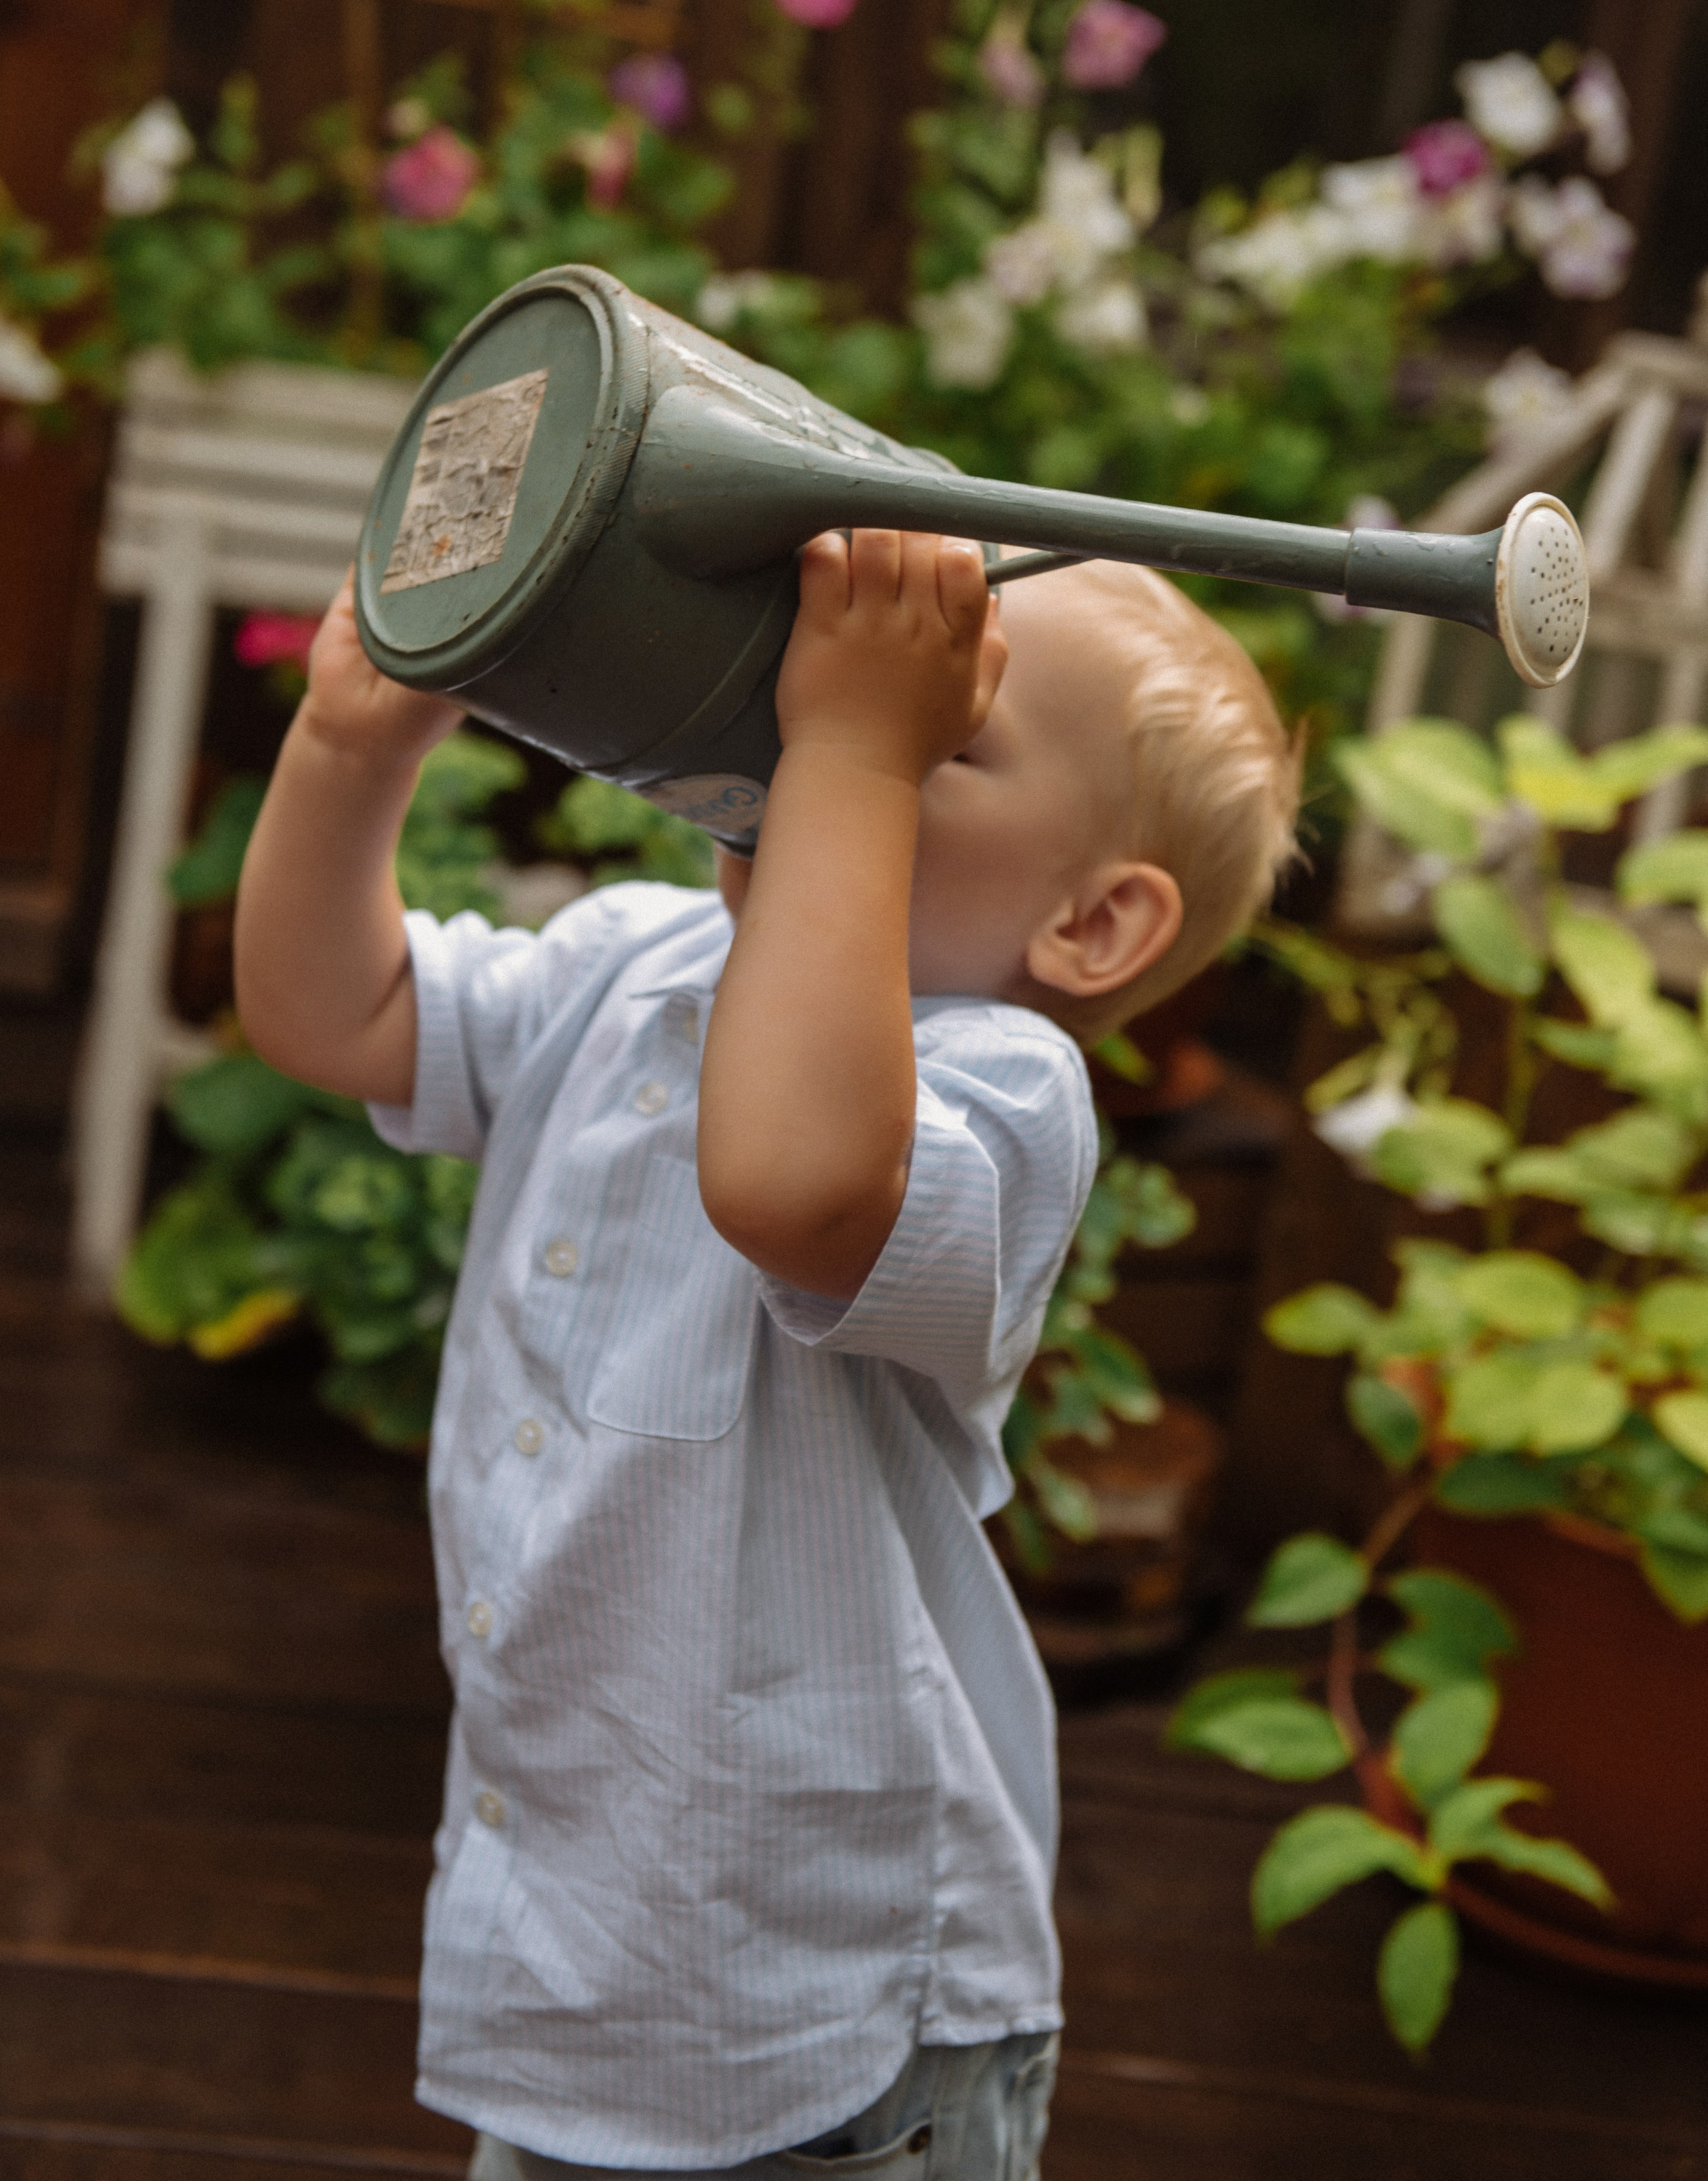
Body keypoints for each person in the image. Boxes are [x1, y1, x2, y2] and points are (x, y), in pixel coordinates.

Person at [234, 531, 1299, 2180]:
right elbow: (338, 1013)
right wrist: (347, 750)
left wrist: (849, 751)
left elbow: (793, 1182)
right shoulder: (631, 957)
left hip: (820, 2003)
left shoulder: (1001, 1093)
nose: (812, 727)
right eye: (809, 692)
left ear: (1091, 924)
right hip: (580, 1932)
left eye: (935, 730)